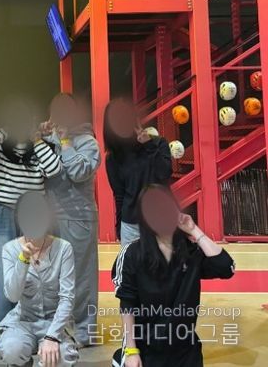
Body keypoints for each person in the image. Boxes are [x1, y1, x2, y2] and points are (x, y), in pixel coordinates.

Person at [111, 185, 235, 367]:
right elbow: (127, 304)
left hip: (185, 350)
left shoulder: (191, 252)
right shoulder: (132, 254)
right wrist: (131, 351)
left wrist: (194, 230)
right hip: (146, 349)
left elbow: (226, 268)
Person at [0, 99, 62, 326]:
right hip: (2, 212)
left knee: (36, 270)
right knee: (1, 272)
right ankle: (5, 330)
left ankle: (32, 327)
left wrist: (36, 138)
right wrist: (9, 129)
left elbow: (54, 169)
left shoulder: (40, 147)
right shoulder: (0, 149)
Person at [42, 93, 100, 347]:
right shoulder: (48, 139)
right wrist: (39, 135)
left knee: (81, 277)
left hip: (78, 218)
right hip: (50, 217)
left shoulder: (88, 141)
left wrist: (65, 141)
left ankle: (84, 332)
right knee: (53, 278)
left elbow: (77, 172)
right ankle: (58, 329)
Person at [0, 192, 79, 367]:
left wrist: (52, 336)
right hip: (23, 321)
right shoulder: (9, 249)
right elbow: (12, 296)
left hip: (55, 322)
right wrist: (23, 260)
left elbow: (67, 298)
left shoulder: (64, 248)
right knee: (12, 350)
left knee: (61, 358)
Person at [103, 98, 172, 245]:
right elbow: (119, 195)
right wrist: (119, 227)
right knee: (131, 261)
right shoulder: (113, 158)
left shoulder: (158, 144)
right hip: (131, 226)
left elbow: (164, 174)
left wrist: (149, 145)